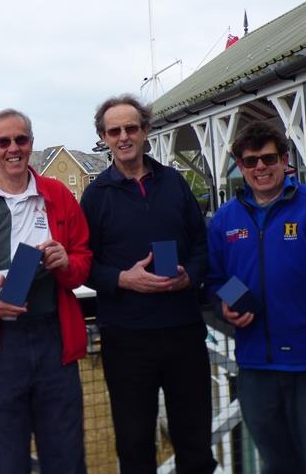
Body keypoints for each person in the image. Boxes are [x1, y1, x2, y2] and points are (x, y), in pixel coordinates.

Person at [206, 120, 306, 474]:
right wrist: (227, 303)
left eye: (268, 158)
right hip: (255, 367)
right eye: (250, 162)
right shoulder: (224, 220)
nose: (260, 168)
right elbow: (214, 277)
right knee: (278, 466)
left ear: (285, 160)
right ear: (240, 167)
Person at [0, 108, 91, 474]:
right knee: (5, 459)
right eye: (3, 141)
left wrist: (67, 263)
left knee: (66, 455)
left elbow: (85, 257)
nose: (13, 149)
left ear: (31, 145)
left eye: (21, 140)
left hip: (54, 338)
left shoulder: (58, 195)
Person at [80, 94, 216, 474]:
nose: (123, 136)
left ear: (145, 131)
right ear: (104, 137)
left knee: (195, 443)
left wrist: (191, 274)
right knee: (135, 444)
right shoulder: (95, 196)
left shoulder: (174, 183)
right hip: (127, 338)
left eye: (131, 128)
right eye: (114, 131)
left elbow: (202, 245)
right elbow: (84, 263)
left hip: (184, 331)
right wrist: (123, 279)